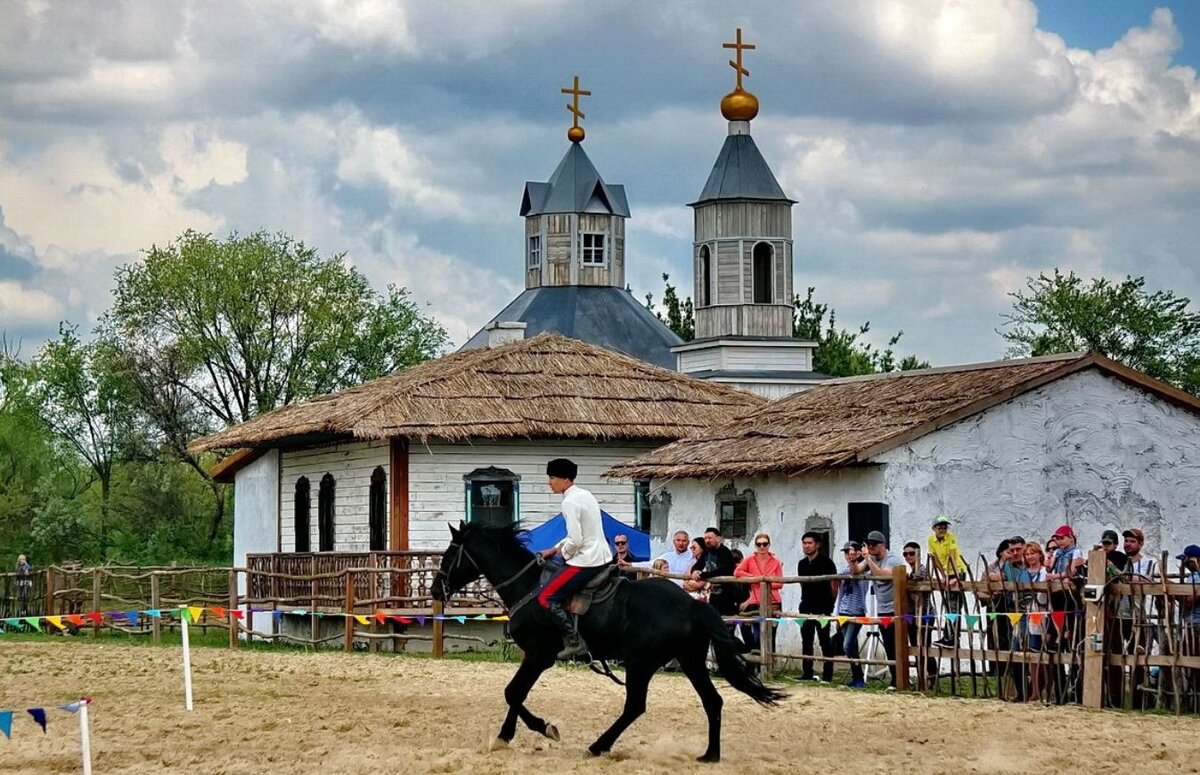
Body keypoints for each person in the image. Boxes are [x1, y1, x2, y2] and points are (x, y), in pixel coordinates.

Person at [536, 458, 612, 659]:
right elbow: (583, 532)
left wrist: (564, 552)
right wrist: (554, 548)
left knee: (546, 597)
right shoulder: (585, 495)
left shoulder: (569, 502)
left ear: (566, 479)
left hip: (586, 560)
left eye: (552, 478)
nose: (549, 482)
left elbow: (576, 540)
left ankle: (574, 640)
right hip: (602, 555)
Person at [855, 530, 902, 688]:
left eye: (874, 544)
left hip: (896, 609)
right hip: (883, 609)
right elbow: (856, 571)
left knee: (898, 646)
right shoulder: (872, 558)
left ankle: (901, 678)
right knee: (889, 645)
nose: (871, 547)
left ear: (883, 545)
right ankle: (894, 679)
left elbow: (882, 575)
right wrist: (852, 559)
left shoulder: (892, 559)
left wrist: (868, 558)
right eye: (868, 544)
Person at [1119, 528, 1156, 708]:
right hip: (1119, 614)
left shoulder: (1147, 562)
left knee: (1138, 658)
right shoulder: (1120, 561)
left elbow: (1143, 581)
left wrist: (1126, 579)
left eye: (1132, 541)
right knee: (1117, 656)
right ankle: (1116, 698)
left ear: (1140, 544)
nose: (1128, 544)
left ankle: (1138, 699)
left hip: (1138, 615)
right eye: (1126, 541)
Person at [796, 531, 838, 682]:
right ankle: (807, 672)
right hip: (806, 605)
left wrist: (830, 605)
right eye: (804, 543)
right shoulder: (802, 564)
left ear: (817, 544)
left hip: (823, 606)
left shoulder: (827, 562)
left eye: (810, 543)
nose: (807, 546)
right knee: (806, 640)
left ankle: (828, 675)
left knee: (824, 641)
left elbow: (834, 585)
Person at [902, 542, 938, 689]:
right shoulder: (911, 571)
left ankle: (931, 677)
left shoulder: (921, 571)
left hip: (924, 614)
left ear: (918, 554)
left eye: (911, 553)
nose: (908, 556)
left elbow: (918, 598)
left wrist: (908, 585)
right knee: (917, 647)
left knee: (924, 647)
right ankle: (922, 678)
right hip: (912, 615)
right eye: (905, 554)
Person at [1017, 542, 1049, 703]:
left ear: (1039, 554)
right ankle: (1035, 691)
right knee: (1033, 655)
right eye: (1027, 554)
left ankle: (1047, 690)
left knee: (1047, 655)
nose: (1030, 557)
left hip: (1044, 614)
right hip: (1028, 616)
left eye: (1032, 553)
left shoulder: (1045, 571)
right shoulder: (1024, 573)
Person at [927, 518, 967, 647]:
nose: (943, 530)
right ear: (934, 529)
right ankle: (949, 636)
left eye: (944, 527)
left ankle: (951, 638)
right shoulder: (931, 540)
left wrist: (955, 576)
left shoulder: (950, 537)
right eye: (940, 527)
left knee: (954, 607)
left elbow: (953, 557)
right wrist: (943, 576)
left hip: (957, 571)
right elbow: (935, 559)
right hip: (946, 572)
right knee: (949, 606)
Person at [835, 541, 868, 688]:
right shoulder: (843, 571)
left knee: (847, 645)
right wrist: (837, 613)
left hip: (856, 612)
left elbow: (855, 571)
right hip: (843, 611)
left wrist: (855, 561)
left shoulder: (864, 570)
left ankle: (859, 676)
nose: (849, 555)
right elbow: (840, 593)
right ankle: (857, 677)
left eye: (852, 552)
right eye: (847, 552)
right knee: (851, 646)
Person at [692, 527, 737, 620]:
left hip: (728, 594)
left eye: (710, 538)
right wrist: (694, 572)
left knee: (728, 624)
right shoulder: (706, 552)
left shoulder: (725, 552)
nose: (707, 540)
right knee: (714, 621)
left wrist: (703, 575)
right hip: (714, 594)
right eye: (705, 538)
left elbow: (724, 570)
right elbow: (697, 565)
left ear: (718, 538)